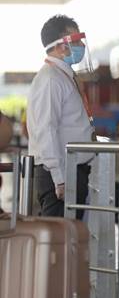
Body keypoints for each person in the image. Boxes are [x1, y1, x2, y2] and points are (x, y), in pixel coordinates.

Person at [27, 15, 95, 218]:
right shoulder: (51, 78)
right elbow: (45, 130)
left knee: (68, 239)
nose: (81, 45)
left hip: (71, 170)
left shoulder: (62, 76)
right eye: (76, 39)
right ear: (61, 45)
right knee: (57, 241)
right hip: (59, 174)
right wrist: (60, 178)